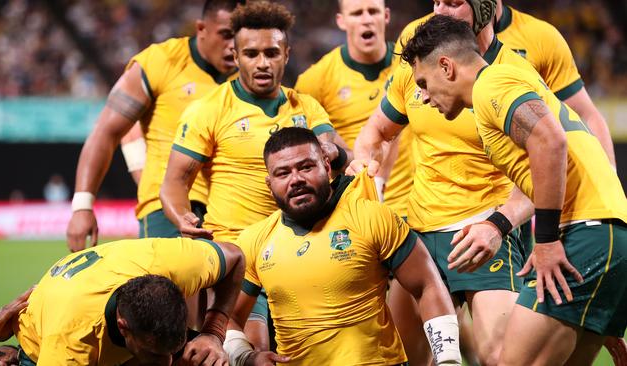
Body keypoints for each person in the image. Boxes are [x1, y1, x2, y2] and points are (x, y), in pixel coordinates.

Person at [404, 15, 627, 365]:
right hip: (606, 234)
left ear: (446, 66)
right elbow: (545, 161)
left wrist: (548, 240)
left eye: (423, 81)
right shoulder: (510, 81)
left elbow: (551, 142)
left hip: (583, 234)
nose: (423, 96)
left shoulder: (492, 84)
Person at [352, 1, 538, 364]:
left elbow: (544, 167)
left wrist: (500, 224)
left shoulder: (515, 75)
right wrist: (367, 168)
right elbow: (377, 131)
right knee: (399, 357)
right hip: (421, 231)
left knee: (501, 358)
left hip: (485, 230)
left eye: (453, 2)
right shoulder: (418, 60)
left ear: (485, 8)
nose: (441, 10)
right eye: (436, 1)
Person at [160, 1, 350, 350]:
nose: (262, 62)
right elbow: (174, 182)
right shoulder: (209, 109)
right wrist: (181, 216)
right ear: (236, 54)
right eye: (251, 53)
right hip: (239, 260)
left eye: (271, 52)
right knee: (255, 350)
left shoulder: (305, 107)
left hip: (301, 255)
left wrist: (335, 153)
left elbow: (338, 152)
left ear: (286, 54)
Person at [222, 127, 459, 366]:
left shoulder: (370, 217)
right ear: (269, 183)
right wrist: (245, 356)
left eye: (306, 167)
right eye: (283, 173)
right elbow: (227, 315)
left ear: (326, 167)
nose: (296, 180)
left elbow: (427, 285)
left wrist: (448, 360)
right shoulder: (255, 240)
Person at [66, 0, 243, 251]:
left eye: (240, 37)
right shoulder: (162, 62)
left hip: (229, 214)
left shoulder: (248, 76)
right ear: (201, 28)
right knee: (167, 291)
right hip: (167, 212)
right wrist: (82, 206)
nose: (233, 46)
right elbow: (106, 131)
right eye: (226, 35)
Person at [11, 237, 244, 365]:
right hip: (46, 348)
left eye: (172, 351)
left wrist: (213, 333)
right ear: (123, 327)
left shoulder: (173, 263)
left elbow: (235, 257)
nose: (167, 363)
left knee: (206, 357)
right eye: (155, 355)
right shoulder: (70, 343)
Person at [294, 0, 414, 217]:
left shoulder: (410, 65)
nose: (366, 20)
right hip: (357, 208)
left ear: (386, 16)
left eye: (373, 12)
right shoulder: (315, 79)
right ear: (342, 21)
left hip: (414, 206)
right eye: (357, 13)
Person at [494, 0, 616, 167]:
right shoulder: (446, 41)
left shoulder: (539, 36)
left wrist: (610, 178)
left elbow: (584, 115)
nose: (445, 9)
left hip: (524, 184)